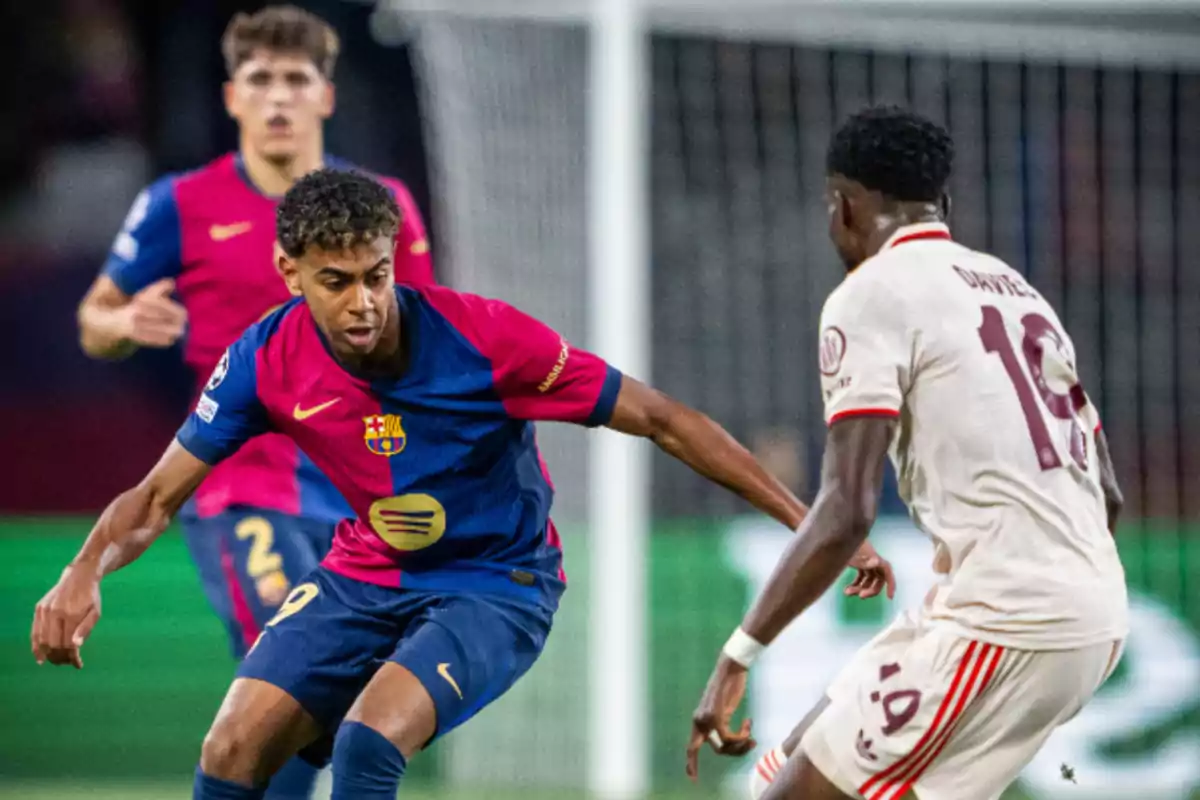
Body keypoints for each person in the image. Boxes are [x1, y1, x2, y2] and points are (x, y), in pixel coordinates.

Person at [33, 168, 892, 800]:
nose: (365, 301)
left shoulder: (487, 340)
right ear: (291, 273)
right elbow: (154, 497)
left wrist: (804, 517)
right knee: (228, 753)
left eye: (377, 275)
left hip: (498, 586)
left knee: (370, 743)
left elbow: (663, 418)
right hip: (364, 574)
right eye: (337, 283)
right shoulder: (265, 356)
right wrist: (83, 572)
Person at [685, 106, 1128, 800]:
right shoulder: (1018, 292)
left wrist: (737, 655)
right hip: (1081, 613)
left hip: (1006, 618)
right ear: (940, 205)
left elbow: (846, 510)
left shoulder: (868, 295)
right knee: (793, 761)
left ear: (845, 206)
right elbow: (1108, 493)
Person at [77, 9, 432, 797]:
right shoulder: (179, 204)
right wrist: (123, 321)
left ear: (326, 96)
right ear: (233, 97)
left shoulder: (384, 208)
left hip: (357, 488)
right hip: (242, 482)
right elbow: (93, 319)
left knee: (306, 705)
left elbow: (428, 345)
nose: (280, 98)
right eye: (261, 81)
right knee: (295, 666)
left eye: (296, 80)